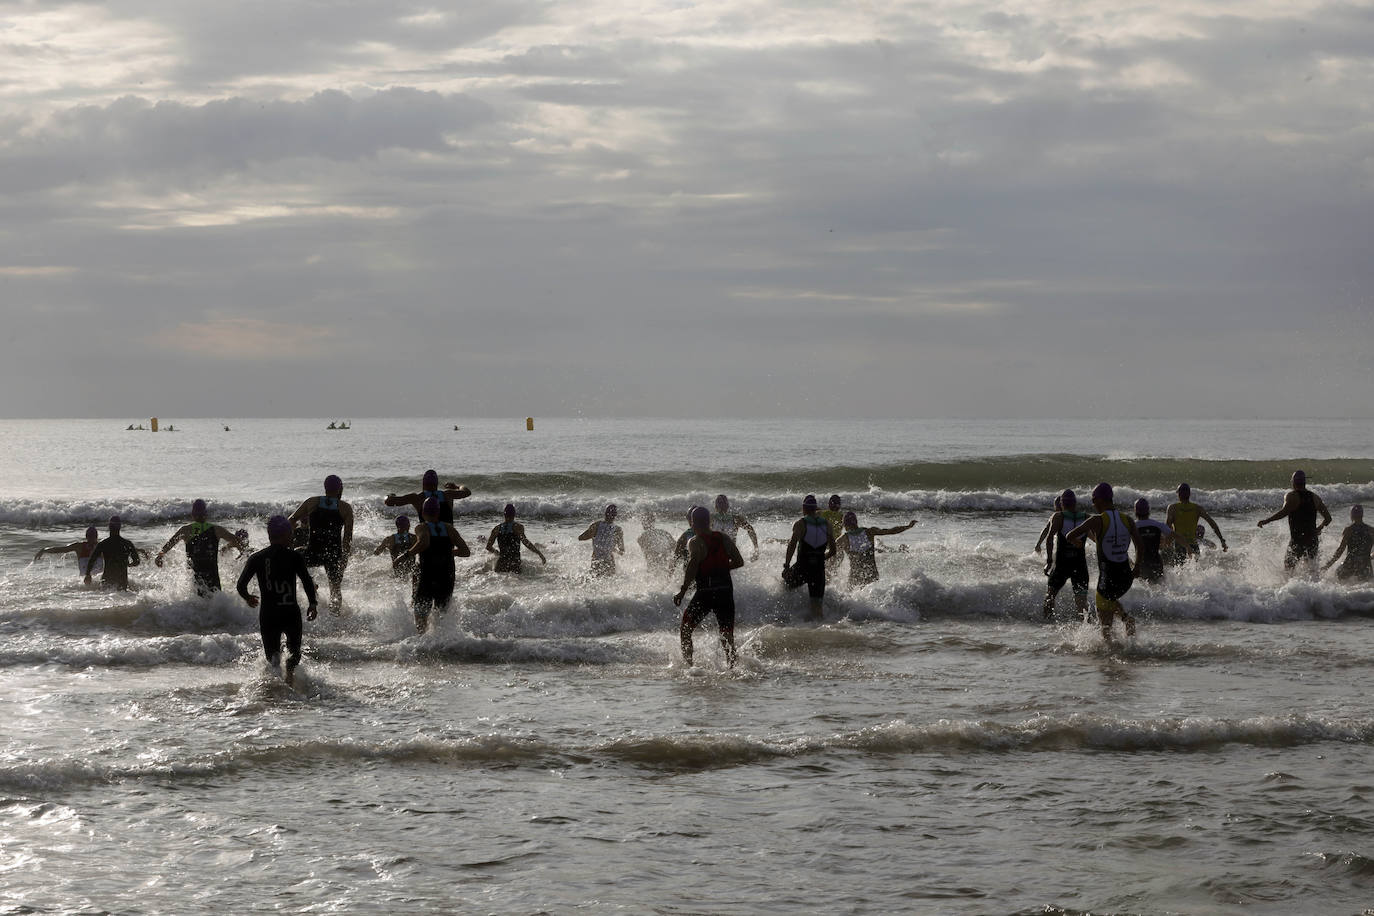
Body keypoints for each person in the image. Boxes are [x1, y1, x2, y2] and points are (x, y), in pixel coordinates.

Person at [235, 515, 318, 686]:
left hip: (269, 615)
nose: (292, 537)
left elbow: (241, 585)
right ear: (285, 534)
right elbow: (307, 581)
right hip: (290, 613)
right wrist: (312, 604)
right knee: (294, 653)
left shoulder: (256, 558)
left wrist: (248, 597)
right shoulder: (294, 557)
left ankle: (275, 688)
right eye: (290, 533)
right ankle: (289, 678)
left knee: (272, 657)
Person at [1067, 482, 1140, 643]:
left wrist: (1077, 543)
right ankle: (1126, 619)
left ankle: (1110, 656)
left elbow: (1069, 535)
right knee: (1110, 599)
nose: (1093, 504)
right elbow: (1139, 544)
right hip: (1126, 577)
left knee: (1105, 628)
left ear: (1100, 499)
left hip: (1108, 580)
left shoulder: (1096, 520)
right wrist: (1138, 566)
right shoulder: (1128, 519)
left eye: (1093, 500)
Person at [674, 506, 745, 667]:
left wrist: (682, 591)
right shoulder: (724, 538)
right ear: (710, 521)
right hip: (725, 592)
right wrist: (722, 567)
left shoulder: (694, 541)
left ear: (693, 523)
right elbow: (739, 562)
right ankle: (732, 668)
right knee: (727, 635)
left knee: (686, 629)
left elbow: (692, 566)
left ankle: (689, 667)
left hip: (705, 593)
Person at [403, 497, 471, 632]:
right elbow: (465, 551)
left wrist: (406, 554)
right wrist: (449, 552)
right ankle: (443, 645)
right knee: (441, 615)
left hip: (428, 575)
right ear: (438, 513)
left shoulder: (421, 527)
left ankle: (422, 644)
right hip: (447, 575)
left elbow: (424, 542)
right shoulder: (449, 529)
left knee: (421, 617)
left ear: (423, 512)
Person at [288, 475, 354, 611]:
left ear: (325, 488)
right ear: (340, 489)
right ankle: (335, 616)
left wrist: (289, 541)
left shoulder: (312, 502)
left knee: (294, 558)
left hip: (313, 552)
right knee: (335, 588)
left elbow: (290, 520)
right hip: (333, 555)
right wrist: (344, 558)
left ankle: (309, 585)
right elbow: (347, 538)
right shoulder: (346, 508)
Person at [154, 499, 246, 596]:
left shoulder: (185, 530)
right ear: (206, 514)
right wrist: (231, 549)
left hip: (195, 576)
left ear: (192, 515)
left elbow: (169, 544)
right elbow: (238, 542)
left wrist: (160, 556)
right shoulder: (217, 529)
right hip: (213, 575)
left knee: (197, 601)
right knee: (215, 601)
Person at [1258, 470, 1332, 576]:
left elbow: (1283, 512)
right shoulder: (1315, 498)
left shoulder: (1292, 496)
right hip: (1312, 540)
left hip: (1298, 539)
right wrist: (1318, 529)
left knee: (1288, 567)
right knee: (1311, 570)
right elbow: (1328, 518)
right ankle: (1314, 590)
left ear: (1293, 482)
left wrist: (1267, 520)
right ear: (1304, 482)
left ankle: (1292, 590)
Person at [783, 494, 836, 621]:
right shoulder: (827, 524)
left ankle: (789, 619)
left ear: (804, 508)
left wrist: (787, 565)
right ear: (815, 508)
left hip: (802, 567)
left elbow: (791, 545)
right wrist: (821, 558)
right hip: (818, 569)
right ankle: (819, 632)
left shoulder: (800, 524)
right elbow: (833, 551)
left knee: (785, 587)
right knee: (817, 609)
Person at [1042, 489, 1091, 622]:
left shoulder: (1058, 517)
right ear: (1075, 503)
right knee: (1081, 602)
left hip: (1061, 566)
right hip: (1080, 566)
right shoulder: (1087, 517)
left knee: (1050, 596)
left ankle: (1047, 624)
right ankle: (1088, 629)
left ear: (1062, 504)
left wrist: (1049, 561)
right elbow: (1098, 540)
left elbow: (1049, 538)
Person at [837, 511, 917, 586]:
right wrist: (908, 526)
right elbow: (890, 531)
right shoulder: (870, 532)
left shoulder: (843, 539)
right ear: (856, 522)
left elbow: (830, 553)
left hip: (855, 577)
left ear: (844, 525)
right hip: (872, 575)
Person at [1166, 484, 1228, 564]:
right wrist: (1221, 540)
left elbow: (1167, 527)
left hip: (1179, 544)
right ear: (1189, 494)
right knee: (1196, 571)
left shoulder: (1172, 508)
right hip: (1193, 545)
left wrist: (1167, 543)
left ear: (1179, 494)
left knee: (1179, 571)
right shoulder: (1197, 508)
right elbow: (1212, 523)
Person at [385, 470, 471, 525]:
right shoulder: (448, 494)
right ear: (436, 484)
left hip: (426, 539)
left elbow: (388, 502)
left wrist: (390, 496)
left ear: (423, 484)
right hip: (448, 540)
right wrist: (457, 486)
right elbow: (467, 492)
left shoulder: (417, 498)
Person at [83, 516, 142, 590]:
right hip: (122, 581)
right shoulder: (127, 544)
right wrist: (128, 564)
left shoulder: (103, 543)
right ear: (120, 527)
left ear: (109, 527)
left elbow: (92, 559)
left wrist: (88, 574)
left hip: (107, 580)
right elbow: (137, 561)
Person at [486, 504, 546, 573]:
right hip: (514, 562)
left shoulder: (497, 529)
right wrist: (539, 553)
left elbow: (488, 547)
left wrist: (497, 553)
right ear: (514, 514)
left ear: (504, 515)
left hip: (501, 562)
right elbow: (526, 542)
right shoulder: (518, 527)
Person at [1323, 505, 1373, 582]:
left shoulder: (1349, 530)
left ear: (1351, 515)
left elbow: (1340, 550)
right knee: (1365, 588)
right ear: (1362, 515)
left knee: (1338, 579)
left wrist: (1328, 565)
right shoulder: (1371, 530)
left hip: (1350, 565)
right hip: (1365, 566)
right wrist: (1370, 556)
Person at [1132, 498, 1175, 584]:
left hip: (1141, 563)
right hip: (1157, 562)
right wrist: (1188, 547)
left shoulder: (1132, 526)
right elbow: (1175, 535)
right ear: (1149, 510)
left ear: (1135, 511)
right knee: (1161, 589)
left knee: (1145, 591)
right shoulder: (1157, 524)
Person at [34, 527, 103, 578]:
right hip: (83, 581)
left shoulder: (101, 546)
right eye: (90, 536)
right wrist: (45, 550)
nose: (91, 538)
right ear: (86, 537)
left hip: (98, 581)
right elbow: (62, 549)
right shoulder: (79, 547)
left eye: (93, 536)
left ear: (96, 537)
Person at [578, 504, 624, 577]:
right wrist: (612, 549)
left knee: (595, 581)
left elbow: (581, 538)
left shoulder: (596, 525)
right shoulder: (618, 530)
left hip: (596, 559)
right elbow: (622, 551)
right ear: (615, 516)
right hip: (609, 561)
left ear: (605, 514)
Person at [710, 495, 759, 561]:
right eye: (719, 503)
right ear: (716, 506)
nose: (721, 506)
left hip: (730, 554)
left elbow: (750, 529)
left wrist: (756, 549)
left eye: (723, 503)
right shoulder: (710, 518)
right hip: (715, 553)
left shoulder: (736, 518)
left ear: (727, 505)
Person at [638, 510, 677, 575]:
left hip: (652, 566)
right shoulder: (664, 532)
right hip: (665, 562)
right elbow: (675, 546)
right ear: (653, 522)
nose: (642, 523)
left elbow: (646, 553)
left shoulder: (641, 537)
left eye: (643, 521)